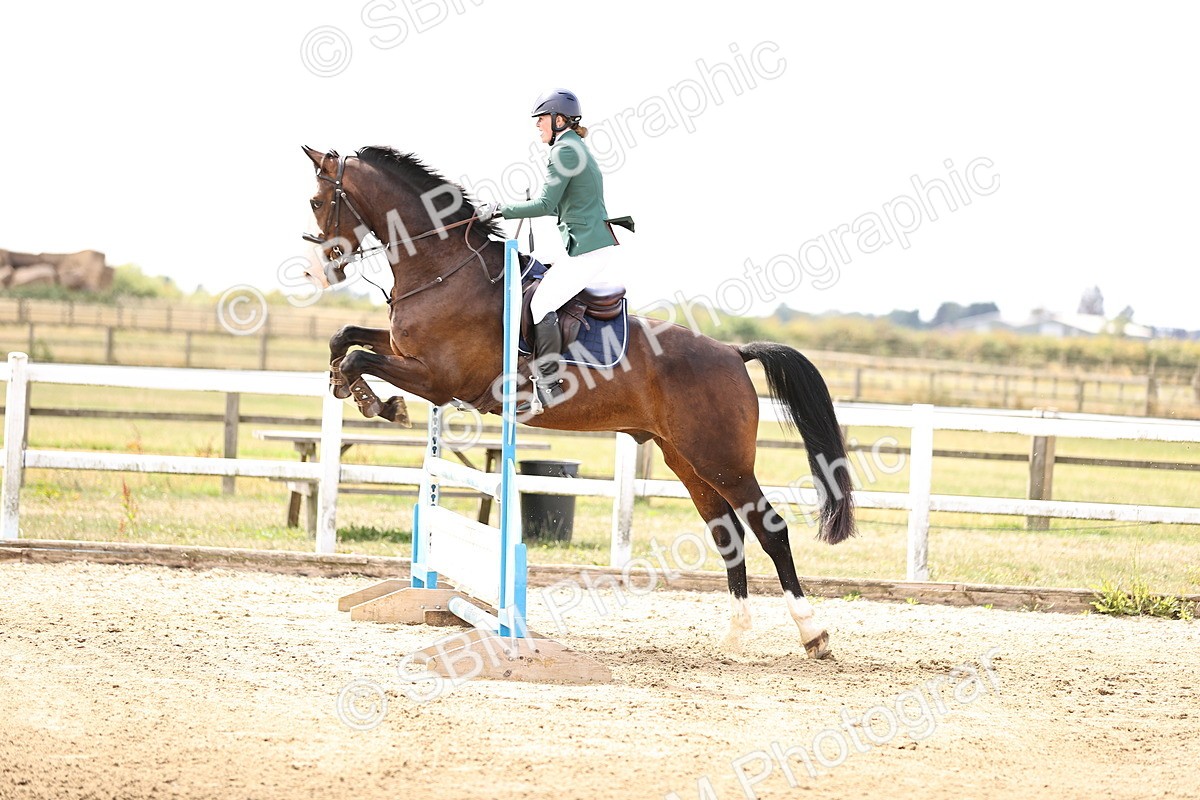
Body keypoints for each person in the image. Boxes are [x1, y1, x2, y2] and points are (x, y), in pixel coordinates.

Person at [476, 88, 629, 412]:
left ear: (560, 120)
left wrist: (500, 209)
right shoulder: (571, 147)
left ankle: (547, 383)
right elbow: (553, 205)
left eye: (542, 119)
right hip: (583, 247)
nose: (538, 126)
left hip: (588, 251)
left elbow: (546, 203)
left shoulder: (565, 151)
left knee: (542, 302)